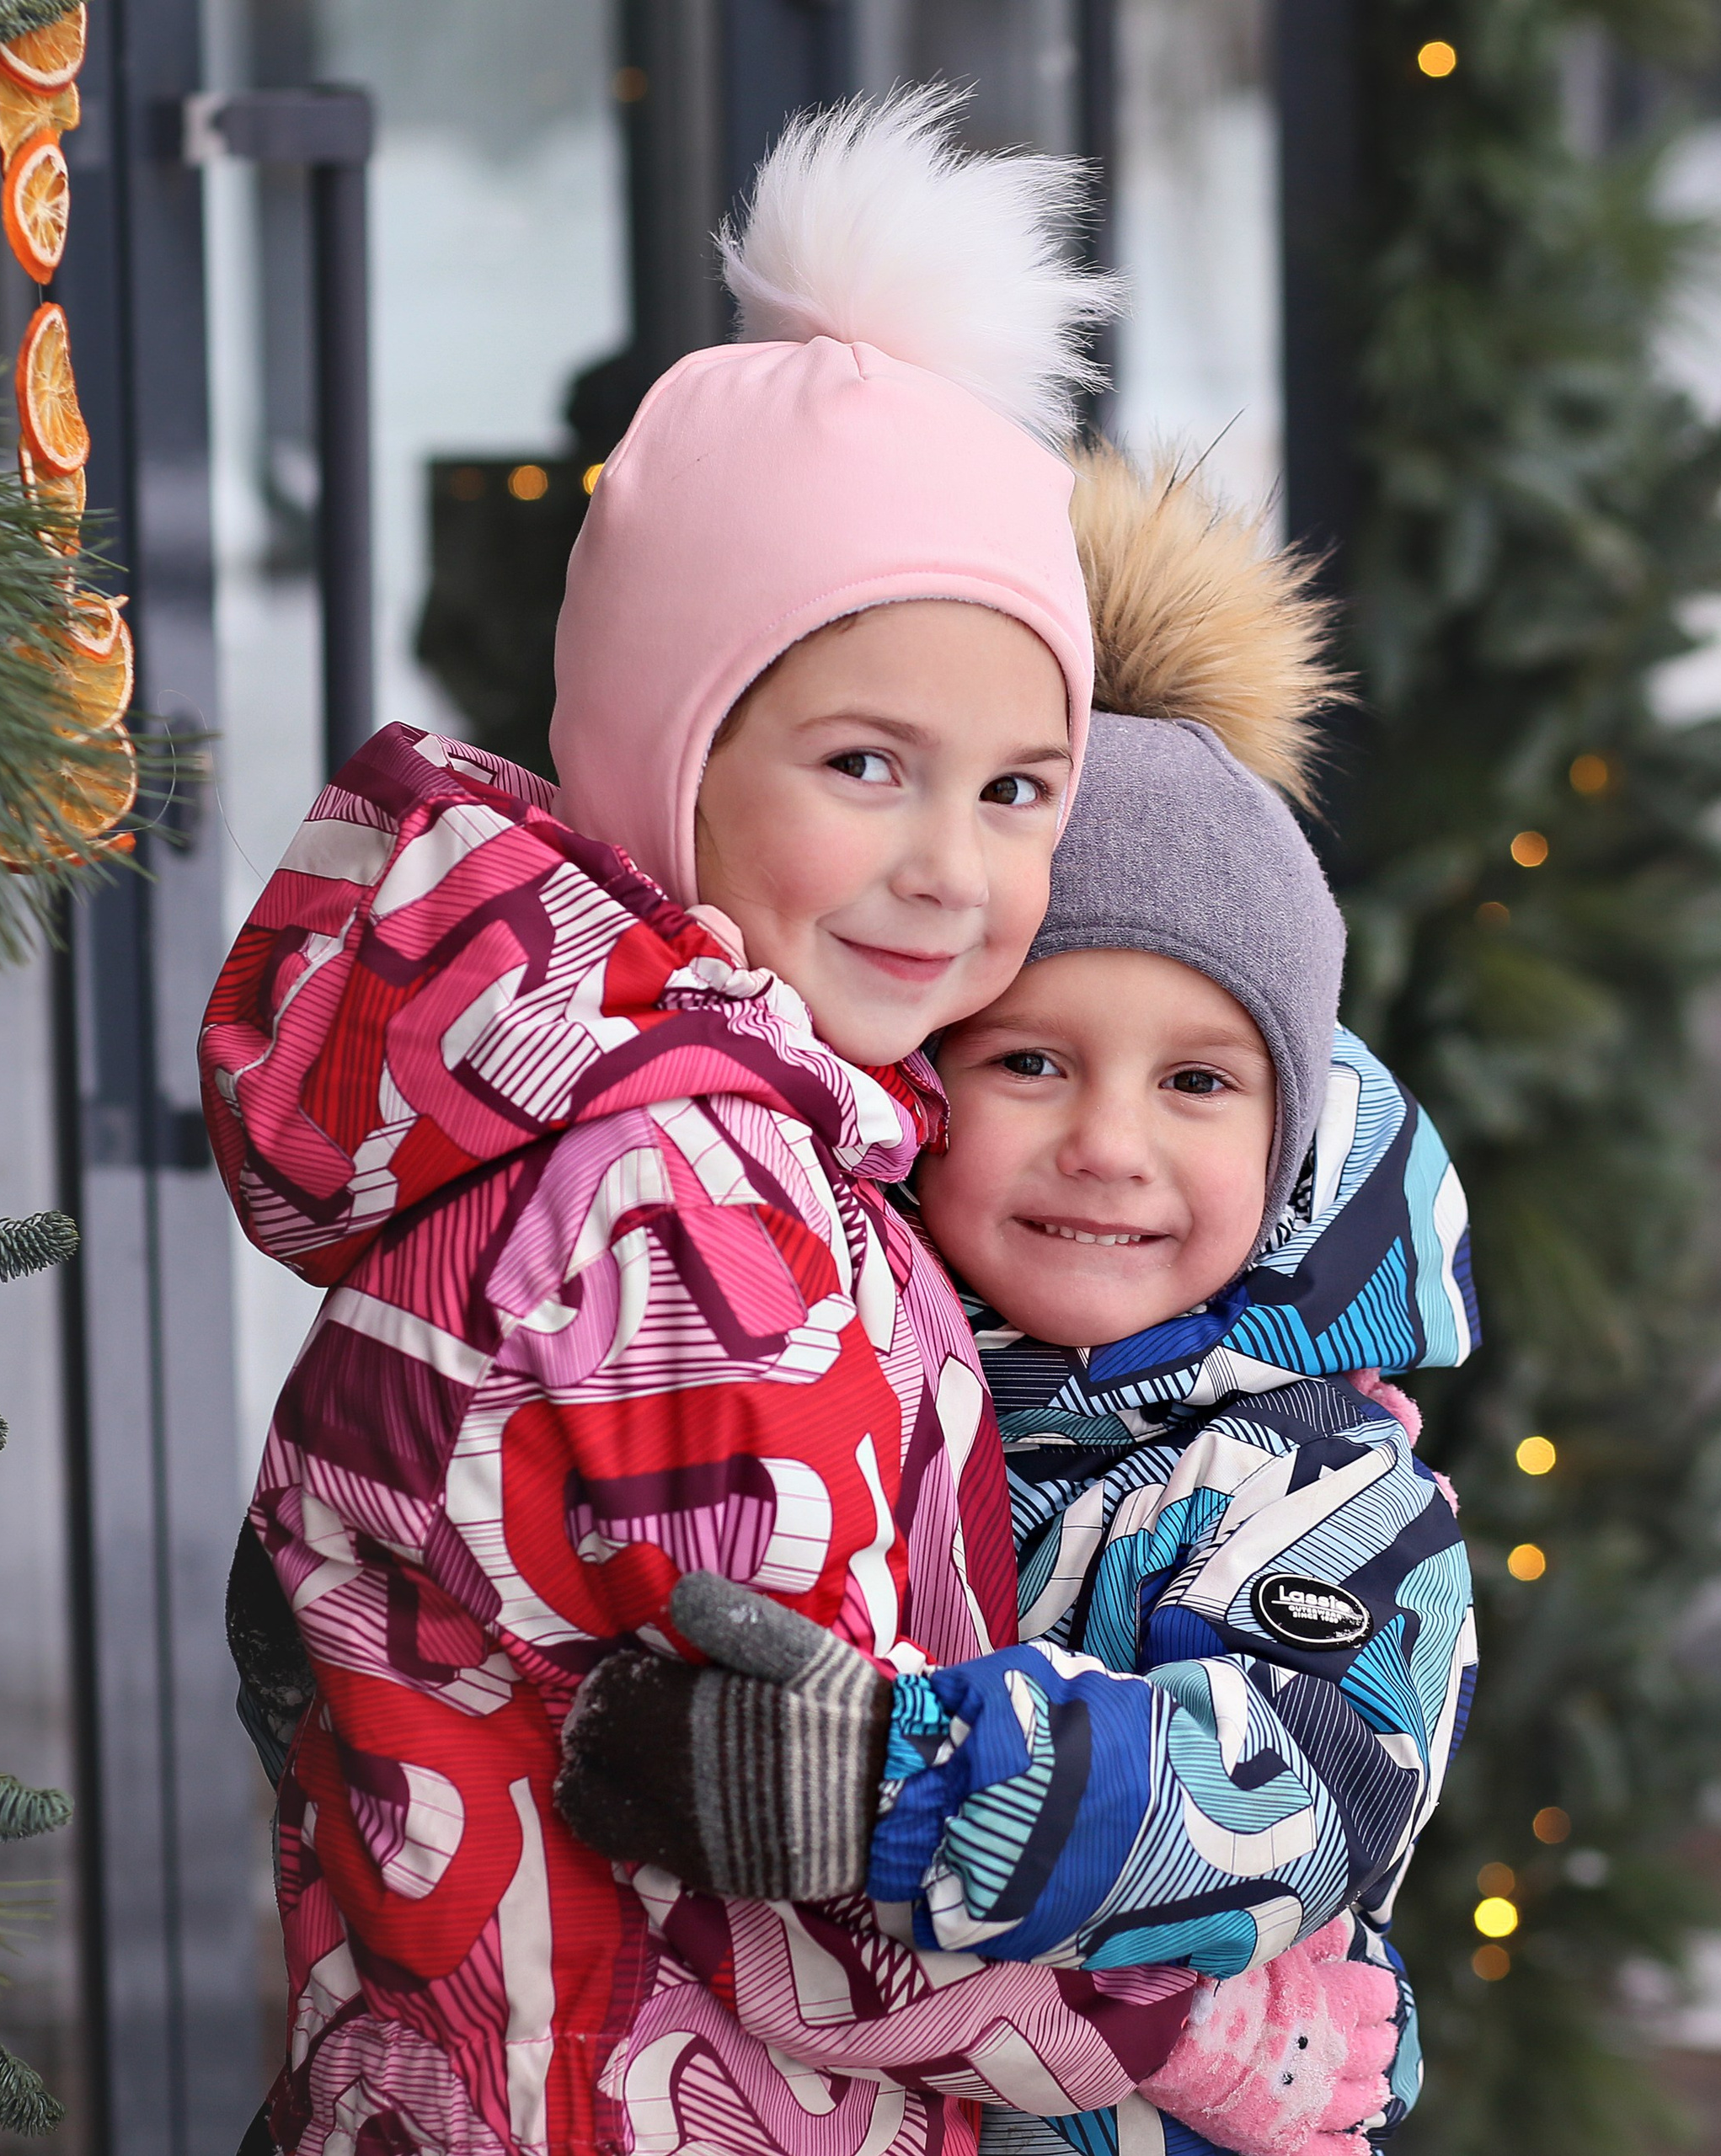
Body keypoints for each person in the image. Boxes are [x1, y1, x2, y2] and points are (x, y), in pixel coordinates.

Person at [201, 89, 1210, 2156]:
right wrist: (1237, 2023)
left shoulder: (575, 1097)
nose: (951, 866)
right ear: (674, 756)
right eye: (865, 763)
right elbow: (819, 1865)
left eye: (1017, 787)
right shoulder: (688, 1197)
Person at [556, 451, 1479, 2156]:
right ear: (915, 1078)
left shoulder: (1314, 1486)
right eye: (1032, 1061)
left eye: (1198, 1082)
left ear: (1293, 1141)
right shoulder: (808, 1345)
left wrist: (896, 1791)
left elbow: (1294, 1783)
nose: (1106, 1146)